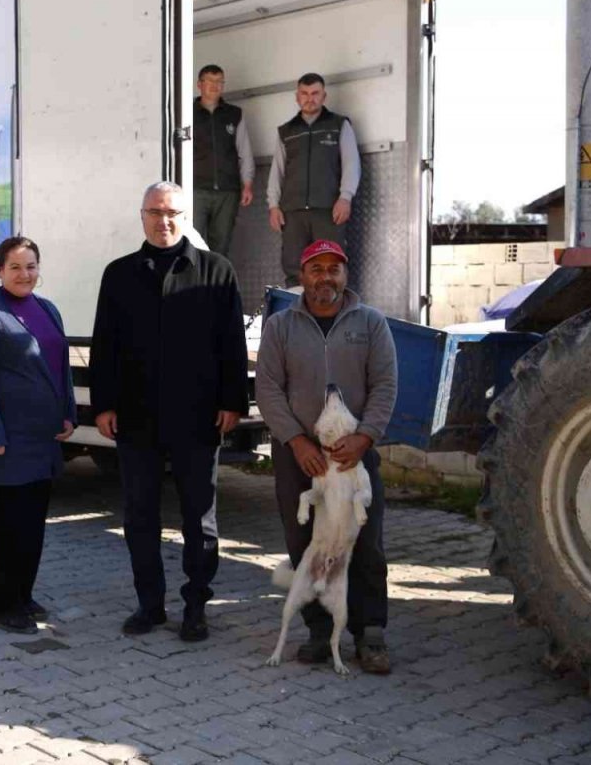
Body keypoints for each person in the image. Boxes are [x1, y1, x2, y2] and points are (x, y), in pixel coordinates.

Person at [90, 182, 249, 642]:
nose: (164, 221)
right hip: (136, 418)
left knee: (199, 517)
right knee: (140, 515)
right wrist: (103, 404)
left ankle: (196, 606)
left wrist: (231, 402)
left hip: (198, 418)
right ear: (142, 216)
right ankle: (150, 605)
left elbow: (231, 345)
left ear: (186, 218)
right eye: (155, 212)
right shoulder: (118, 274)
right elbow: (106, 345)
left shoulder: (216, 272)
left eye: (173, 213)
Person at [254, 239, 397, 674]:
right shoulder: (280, 327)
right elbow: (269, 389)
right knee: (305, 544)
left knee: (365, 542)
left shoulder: (370, 323)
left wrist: (366, 438)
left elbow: (385, 386)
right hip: (299, 457)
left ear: (345, 275)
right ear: (302, 276)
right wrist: (297, 442)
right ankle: (319, 630)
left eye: (334, 269)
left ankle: (370, 633)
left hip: (354, 456)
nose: (325, 278)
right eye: (317, 269)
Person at [0, 237, 78, 634]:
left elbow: (61, 367)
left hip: (42, 436)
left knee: (33, 522)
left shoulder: (48, 309)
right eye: (15, 267)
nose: (24, 274)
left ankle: (23, 594)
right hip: (7, 439)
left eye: (30, 266)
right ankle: (0, 602)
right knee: (7, 524)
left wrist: (68, 412)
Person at [266, 73, 361, 286]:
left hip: (328, 211)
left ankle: (333, 317)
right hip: (293, 213)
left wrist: (345, 197)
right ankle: (297, 314)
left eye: (315, 93)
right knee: (294, 267)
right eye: (305, 94)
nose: (310, 98)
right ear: (297, 97)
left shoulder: (339, 125)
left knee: (331, 265)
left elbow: (351, 164)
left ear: (324, 96)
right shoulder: (286, 131)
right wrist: (273, 206)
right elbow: (277, 171)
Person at [193, 65, 255, 257]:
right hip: (195, 190)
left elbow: (244, 151)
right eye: (210, 81)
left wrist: (247, 184)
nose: (215, 86)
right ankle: (191, 286)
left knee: (220, 249)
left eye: (219, 81)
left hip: (228, 192)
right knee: (190, 243)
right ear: (199, 85)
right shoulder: (186, 113)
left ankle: (216, 286)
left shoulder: (234, 114)